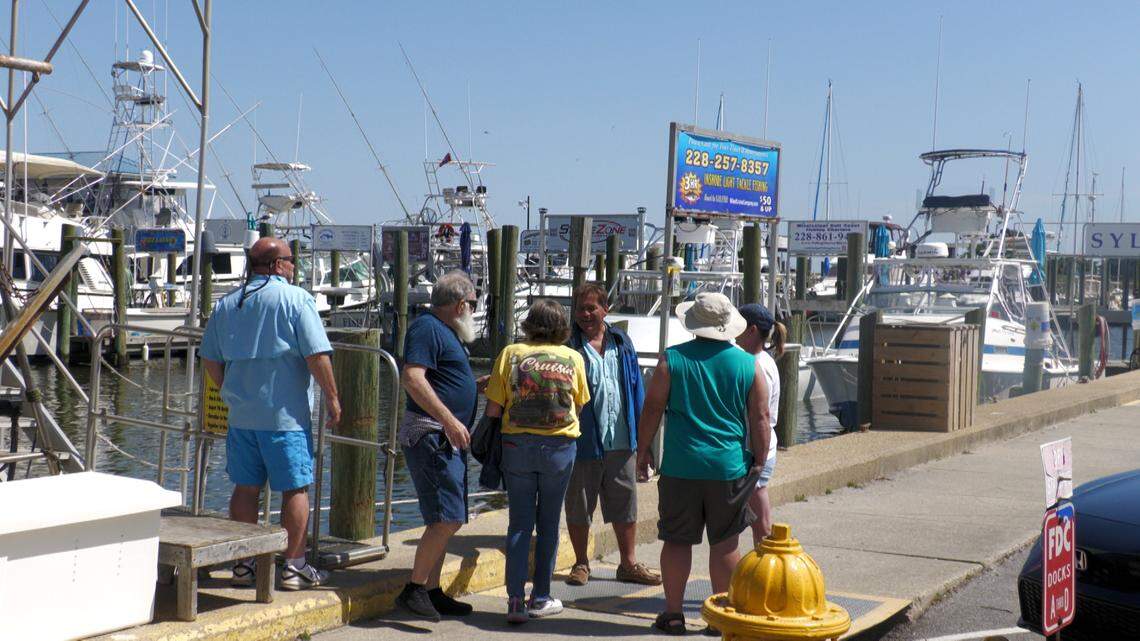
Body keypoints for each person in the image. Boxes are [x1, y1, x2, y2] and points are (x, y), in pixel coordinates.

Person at [200, 237, 340, 591]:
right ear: (278, 265)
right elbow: (317, 355)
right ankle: (294, 567)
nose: (295, 267)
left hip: (242, 415)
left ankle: (243, 565)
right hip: (284, 418)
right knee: (294, 489)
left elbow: (211, 359)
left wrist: (228, 391)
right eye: (292, 260)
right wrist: (333, 398)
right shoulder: (296, 300)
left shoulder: (227, 304)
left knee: (245, 489)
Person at [635, 292, 771, 635]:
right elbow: (760, 416)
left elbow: (652, 408)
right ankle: (720, 613)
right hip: (727, 466)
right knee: (726, 543)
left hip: (681, 465)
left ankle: (673, 613)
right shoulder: (747, 364)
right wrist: (760, 456)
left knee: (678, 541)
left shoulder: (673, 360)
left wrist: (643, 451)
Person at [484, 299, 590, 624]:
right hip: (559, 447)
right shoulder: (573, 357)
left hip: (517, 444)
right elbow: (580, 404)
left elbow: (493, 409)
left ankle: (515, 599)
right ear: (561, 327)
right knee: (548, 524)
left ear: (529, 323)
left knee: (519, 523)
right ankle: (540, 596)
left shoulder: (510, 354)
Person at [394, 270, 481, 621]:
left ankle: (431, 590)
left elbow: (441, 379)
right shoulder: (427, 328)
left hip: (445, 435)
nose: (474, 311)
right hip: (432, 435)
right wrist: (449, 419)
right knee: (447, 518)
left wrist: (474, 385)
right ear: (460, 304)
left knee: (446, 517)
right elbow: (412, 378)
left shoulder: (444, 331)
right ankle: (414, 589)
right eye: (472, 305)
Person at [564, 284, 660, 587]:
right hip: (583, 442)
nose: (585, 314)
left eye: (592, 308)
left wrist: (644, 444)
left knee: (625, 504)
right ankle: (581, 563)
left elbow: (636, 391)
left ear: (606, 309)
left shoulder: (622, 342)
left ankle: (628, 563)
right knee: (580, 504)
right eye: (580, 308)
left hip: (622, 440)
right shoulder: (569, 346)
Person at [735, 304, 785, 544]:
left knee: (760, 521)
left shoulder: (759, 365)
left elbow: (761, 416)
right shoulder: (758, 359)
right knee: (756, 514)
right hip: (759, 445)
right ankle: (763, 561)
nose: (734, 332)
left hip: (758, 447)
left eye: (739, 326)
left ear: (752, 330)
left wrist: (759, 458)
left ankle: (767, 566)